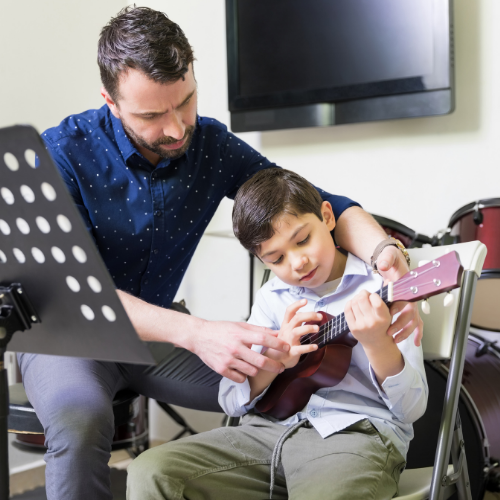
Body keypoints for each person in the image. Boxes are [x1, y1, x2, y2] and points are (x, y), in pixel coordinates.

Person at [19, 6, 422, 500]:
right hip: (72, 335)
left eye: (185, 102)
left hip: (158, 340)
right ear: (110, 101)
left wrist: (383, 251)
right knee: (80, 419)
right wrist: (198, 332)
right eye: (151, 115)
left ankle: (313, 463)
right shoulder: (61, 152)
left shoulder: (209, 143)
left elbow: (316, 204)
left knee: (264, 385)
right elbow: (75, 293)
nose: (175, 128)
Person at [127, 168, 428, 500]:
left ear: (327, 217)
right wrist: (274, 362)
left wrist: (377, 343)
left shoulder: (383, 288)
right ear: (262, 260)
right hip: (266, 434)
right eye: (277, 258)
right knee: (151, 471)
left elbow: (411, 409)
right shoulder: (272, 297)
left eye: (303, 240)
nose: (297, 263)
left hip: (356, 436)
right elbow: (230, 398)